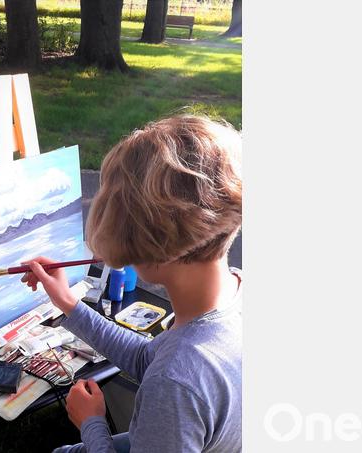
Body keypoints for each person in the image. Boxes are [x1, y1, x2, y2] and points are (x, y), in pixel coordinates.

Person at [20, 115, 243, 452]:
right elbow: (146, 358)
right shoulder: (235, 293)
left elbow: (169, 373)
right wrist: (68, 302)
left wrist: (92, 423)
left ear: (151, 243)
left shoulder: (177, 382)